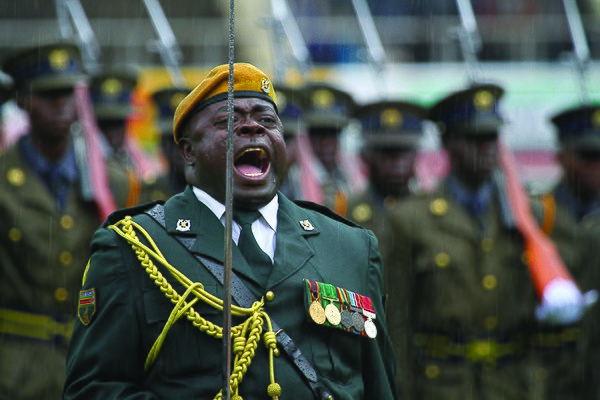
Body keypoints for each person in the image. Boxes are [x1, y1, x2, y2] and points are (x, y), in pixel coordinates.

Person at [64, 63, 397, 399]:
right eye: (228, 121)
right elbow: (92, 389)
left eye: (267, 121)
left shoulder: (350, 247)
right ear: (188, 151)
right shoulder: (134, 247)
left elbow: (378, 386)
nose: (252, 128)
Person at [385, 83, 542, 400]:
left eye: (492, 137)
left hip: (511, 385)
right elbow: (397, 322)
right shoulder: (411, 220)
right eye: (474, 138)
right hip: (442, 385)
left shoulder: (527, 216)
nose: (487, 148)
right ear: (448, 143)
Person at [0, 41, 131, 400]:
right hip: (14, 371)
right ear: (23, 101)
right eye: (47, 94)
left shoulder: (109, 184)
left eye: (67, 93)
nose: (61, 104)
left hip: (87, 368)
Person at [541, 104, 600, 399]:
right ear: (562, 155)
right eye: (588, 156)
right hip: (547, 376)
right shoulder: (536, 218)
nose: (596, 166)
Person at [348, 100, 427, 278]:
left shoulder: (432, 215)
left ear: (416, 155)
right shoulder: (344, 215)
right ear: (365, 156)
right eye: (386, 152)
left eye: (404, 151)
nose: (397, 162)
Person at [89, 67, 160, 206]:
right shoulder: (83, 163)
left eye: (118, 123)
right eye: (105, 124)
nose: (113, 133)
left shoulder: (137, 161)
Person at [300, 82, 360, 215]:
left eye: (332, 133)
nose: (325, 142)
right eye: (317, 133)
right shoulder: (296, 177)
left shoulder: (351, 174)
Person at [149, 85, 192, 200]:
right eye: (172, 141)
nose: (180, 150)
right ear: (162, 144)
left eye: (186, 141)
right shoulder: (147, 192)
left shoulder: (216, 192)